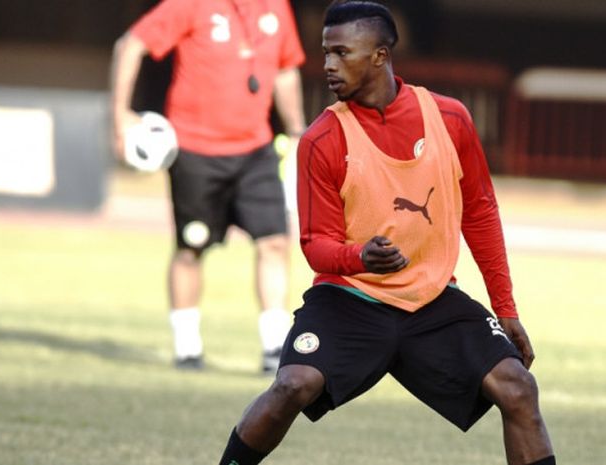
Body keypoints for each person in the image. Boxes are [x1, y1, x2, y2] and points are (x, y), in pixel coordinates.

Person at [218, 1, 556, 464]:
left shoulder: (450, 119)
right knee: (293, 384)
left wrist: (506, 308)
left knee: (518, 388)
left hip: (431, 301)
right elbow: (316, 246)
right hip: (349, 300)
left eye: (341, 53)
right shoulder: (322, 139)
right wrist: (360, 258)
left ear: (380, 55)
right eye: (325, 53)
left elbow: (479, 213)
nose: (328, 65)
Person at [110, 0, 307, 372]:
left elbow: (285, 69)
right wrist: (120, 116)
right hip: (195, 149)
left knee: (276, 242)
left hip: (256, 148)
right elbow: (130, 44)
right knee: (191, 247)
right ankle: (187, 348)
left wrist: (296, 129)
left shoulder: (277, 6)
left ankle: (274, 346)